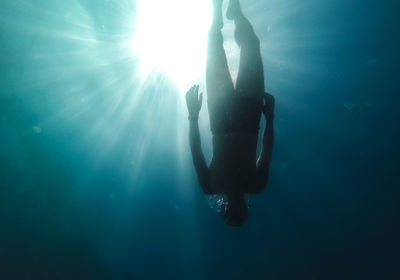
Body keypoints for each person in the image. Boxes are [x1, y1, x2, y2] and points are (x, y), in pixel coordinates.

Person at [186, 0, 274, 226]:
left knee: (214, 47)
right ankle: (234, 10)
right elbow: (267, 150)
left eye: (230, 213)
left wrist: (193, 116)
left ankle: (217, 11)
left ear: (223, 209)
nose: (235, 209)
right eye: (240, 213)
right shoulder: (256, 185)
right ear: (245, 209)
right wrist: (270, 119)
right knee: (251, 44)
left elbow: (196, 151)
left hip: (224, 114)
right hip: (247, 113)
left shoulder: (211, 185)